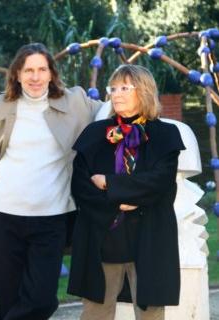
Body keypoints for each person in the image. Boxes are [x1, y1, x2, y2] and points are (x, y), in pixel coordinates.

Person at [0, 43, 103, 320]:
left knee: (41, 298)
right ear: (16, 74)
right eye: (29, 70)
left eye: (42, 69)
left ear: (52, 73)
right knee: (7, 297)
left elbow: (111, 113)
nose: (35, 77)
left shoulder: (75, 102)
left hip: (52, 217)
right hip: (3, 216)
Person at [67, 64, 184, 320]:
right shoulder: (95, 134)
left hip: (150, 236)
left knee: (151, 313)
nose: (116, 94)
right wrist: (117, 203)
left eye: (124, 88)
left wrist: (110, 184)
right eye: (113, 88)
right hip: (103, 237)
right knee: (96, 312)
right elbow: (81, 185)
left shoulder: (166, 134)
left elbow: (159, 182)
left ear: (143, 91)